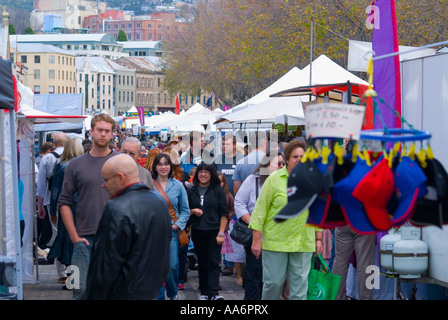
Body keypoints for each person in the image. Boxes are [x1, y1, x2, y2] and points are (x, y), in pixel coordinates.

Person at [85, 154, 171, 300]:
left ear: (120, 177)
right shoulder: (160, 204)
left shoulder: (116, 208)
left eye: (105, 179)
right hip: (151, 291)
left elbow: (104, 266)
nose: (103, 185)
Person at [249, 140, 323, 300]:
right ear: (287, 158)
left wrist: (318, 238)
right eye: (295, 156)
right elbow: (259, 211)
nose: (299, 159)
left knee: (299, 289)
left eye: (302, 157)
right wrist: (256, 239)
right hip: (276, 242)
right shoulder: (274, 180)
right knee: (273, 284)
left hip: (303, 241)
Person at [58, 113, 119, 299]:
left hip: (115, 238)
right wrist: (74, 236)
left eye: (107, 131)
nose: (103, 134)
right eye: (99, 130)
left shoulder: (121, 163)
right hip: (83, 241)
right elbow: (64, 202)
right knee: (79, 289)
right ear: (91, 132)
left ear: (112, 134)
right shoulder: (75, 165)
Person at [234, 150, 285, 300]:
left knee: (271, 274)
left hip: (277, 235)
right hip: (255, 234)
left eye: (283, 163)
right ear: (267, 164)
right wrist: (252, 222)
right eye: (278, 163)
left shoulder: (285, 181)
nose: (281, 166)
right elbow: (239, 202)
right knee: (255, 272)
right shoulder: (253, 180)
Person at [151, 153, 190, 300]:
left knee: (172, 266)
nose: (163, 167)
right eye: (160, 164)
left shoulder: (178, 185)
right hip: (154, 232)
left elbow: (185, 210)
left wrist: (177, 225)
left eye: (166, 164)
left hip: (171, 232)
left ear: (171, 166)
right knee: (156, 267)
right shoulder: (149, 185)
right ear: (155, 166)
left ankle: (173, 293)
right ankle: (159, 296)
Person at [188, 162, 229, 300]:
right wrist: (193, 211)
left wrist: (221, 233)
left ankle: (213, 293)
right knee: (202, 262)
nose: (203, 174)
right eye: (200, 171)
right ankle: (204, 292)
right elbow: (185, 210)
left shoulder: (218, 190)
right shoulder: (192, 190)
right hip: (198, 231)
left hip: (214, 231)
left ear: (211, 175)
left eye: (207, 172)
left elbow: (224, 213)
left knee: (213, 262)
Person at [48, 138, 84, 285]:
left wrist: (53, 211)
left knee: (69, 243)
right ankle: (78, 280)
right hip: (84, 208)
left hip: (67, 208)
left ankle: (73, 280)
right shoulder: (84, 165)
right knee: (80, 243)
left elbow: (55, 191)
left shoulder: (62, 166)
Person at [36, 132, 68, 280]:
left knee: (57, 235)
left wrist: (40, 205)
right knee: (70, 236)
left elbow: (41, 185)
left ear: (54, 143)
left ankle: (61, 273)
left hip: (52, 202)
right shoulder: (73, 158)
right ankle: (71, 272)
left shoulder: (47, 158)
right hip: (71, 203)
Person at [218, 172, 243, 285]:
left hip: (226, 227)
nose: (220, 184)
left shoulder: (228, 196)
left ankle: (232, 268)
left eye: (221, 181)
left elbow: (233, 209)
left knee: (234, 250)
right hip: (213, 227)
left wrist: (227, 217)